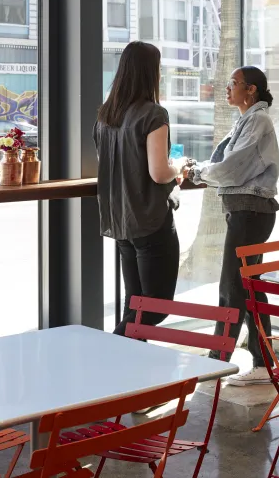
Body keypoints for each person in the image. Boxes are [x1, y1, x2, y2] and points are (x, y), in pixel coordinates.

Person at [187, 66, 279, 386]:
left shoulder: (257, 120)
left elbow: (233, 168)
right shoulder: (248, 119)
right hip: (249, 212)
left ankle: (218, 358)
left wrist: (196, 173)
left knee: (231, 287)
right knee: (249, 287)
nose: (227, 88)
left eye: (233, 84)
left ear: (251, 90)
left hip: (251, 212)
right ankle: (264, 357)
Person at [93, 41, 188, 336]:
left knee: (135, 305)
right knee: (156, 308)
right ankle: (108, 348)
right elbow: (159, 173)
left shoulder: (106, 115)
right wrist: (180, 167)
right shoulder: (153, 114)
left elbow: (115, 166)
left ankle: (130, 375)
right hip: (150, 220)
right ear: (151, 72)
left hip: (120, 220)